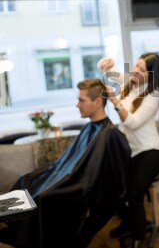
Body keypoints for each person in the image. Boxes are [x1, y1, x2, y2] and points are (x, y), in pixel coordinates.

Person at [0, 78, 131, 248]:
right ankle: (11, 226)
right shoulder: (89, 128)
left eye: (81, 100)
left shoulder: (109, 135)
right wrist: (49, 175)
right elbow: (66, 164)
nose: (77, 105)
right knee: (27, 181)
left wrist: (57, 183)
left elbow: (96, 179)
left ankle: (30, 241)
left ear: (98, 102)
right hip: (69, 180)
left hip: (78, 191)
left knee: (41, 197)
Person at [99, 53, 159, 248]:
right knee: (112, 188)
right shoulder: (131, 83)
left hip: (150, 152)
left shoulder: (153, 95)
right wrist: (105, 64)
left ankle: (138, 237)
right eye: (136, 66)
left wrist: (114, 101)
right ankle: (129, 223)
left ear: (151, 74)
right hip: (131, 153)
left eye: (142, 69)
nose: (136, 71)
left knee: (135, 195)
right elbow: (108, 73)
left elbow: (133, 122)